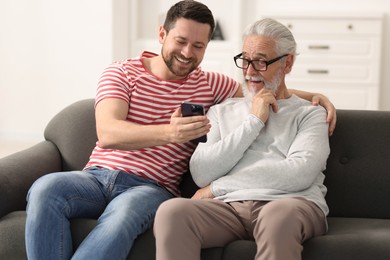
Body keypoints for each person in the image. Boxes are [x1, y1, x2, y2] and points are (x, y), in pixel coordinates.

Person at [25, 1, 334, 259]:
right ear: (162, 34)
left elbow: (261, 86)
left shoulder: (211, 85)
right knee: (44, 189)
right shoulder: (121, 71)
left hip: (150, 187)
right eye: (181, 41)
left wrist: (314, 97)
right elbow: (109, 133)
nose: (188, 53)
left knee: (124, 215)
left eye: (198, 45)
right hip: (96, 176)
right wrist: (169, 134)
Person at [154, 17, 330, 260]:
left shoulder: (310, 114)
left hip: (290, 203)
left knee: (278, 216)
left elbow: (298, 174)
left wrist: (218, 187)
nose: (249, 72)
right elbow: (201, 172)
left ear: (287, 63)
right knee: (172, 211)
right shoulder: (220, 110)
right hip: (228, 209)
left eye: (259, 62)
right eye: (245, 61)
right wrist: (254, 122)